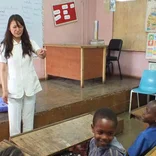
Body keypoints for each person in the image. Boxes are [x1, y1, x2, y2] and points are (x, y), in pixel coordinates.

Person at [0, 14, 46, 137]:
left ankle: (27, 149)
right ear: (9, 29)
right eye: (14, 27)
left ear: (23, 28)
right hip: (13, 90)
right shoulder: (5, 46)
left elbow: (40, 54)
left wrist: (42, 53)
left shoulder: (29, 42)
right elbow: (3, 69)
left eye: (20, 26)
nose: (18, 29)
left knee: (28, 124)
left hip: (29, 88)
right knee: (14, 126)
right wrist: (4, 91)